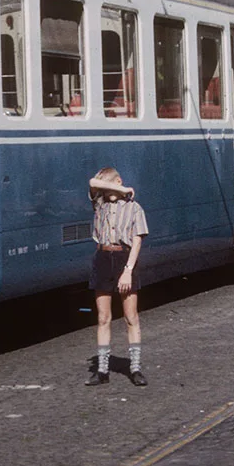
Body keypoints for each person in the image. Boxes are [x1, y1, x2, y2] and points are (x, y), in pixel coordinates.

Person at [86, 166, 150, 387]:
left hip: (124, 260)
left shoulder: (135, 208)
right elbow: (93, 183)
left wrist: (128, 271)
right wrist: (117, 187)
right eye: (107, 187)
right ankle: (102, 371)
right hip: (102, 258)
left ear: (119, 180)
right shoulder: (100, 202)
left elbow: (138, 241)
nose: (107, 191)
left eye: (112, 184)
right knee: (103, 318)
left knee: (131, 317)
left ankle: (135, 368)